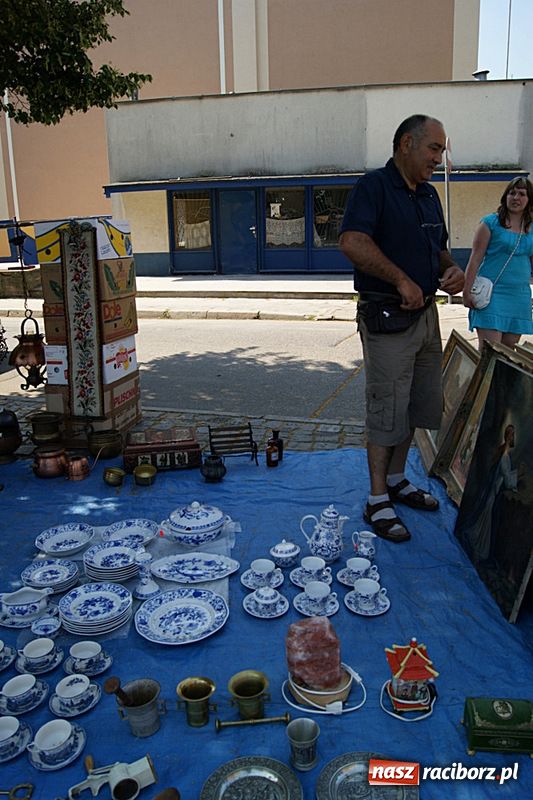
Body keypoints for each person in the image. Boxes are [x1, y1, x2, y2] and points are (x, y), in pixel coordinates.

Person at [339, 114, 464, 543]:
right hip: (387, 317)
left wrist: (453, 271)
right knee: (385, 408)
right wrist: (399, 279)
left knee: (414, 403)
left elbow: (439, 249)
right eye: (434, 148)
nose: (439, 157)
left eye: (441, 149)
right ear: (407, 144)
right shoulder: (373, 187)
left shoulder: (428, 195)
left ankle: (396, 479)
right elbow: (352, 242)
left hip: (427, 316)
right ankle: (376, 499)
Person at [463, 176, 533, 350]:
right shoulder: (490, 223)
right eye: (512, 193)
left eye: (522, 194)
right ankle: (483, 379)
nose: (516, 198)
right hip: (492, 293)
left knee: (509, 352)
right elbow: (475, 258)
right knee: (491, 350)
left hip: (519, 296)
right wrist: (466, 290)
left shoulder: (531, 227)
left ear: (529, 199)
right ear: (505, 196)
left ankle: (501, 380)